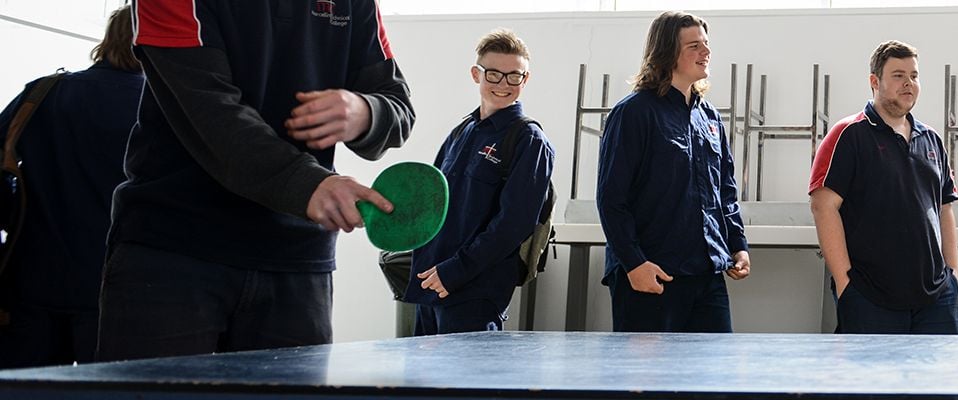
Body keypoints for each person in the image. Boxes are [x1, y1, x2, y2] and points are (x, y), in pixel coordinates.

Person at [96, 0, 414, 361]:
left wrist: (365, 112)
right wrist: (308, 184)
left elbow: (398, 104)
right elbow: (211, 113)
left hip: (297, 264)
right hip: (173, 253)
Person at [0, 5, 144, 368]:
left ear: (107, 39)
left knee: (24, 388)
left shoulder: (44, 93)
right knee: (106, 389)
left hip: (31, 278)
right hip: (117, 287)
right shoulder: (158, 109)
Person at [598, 10, 750, 333]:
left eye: (706, 44)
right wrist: (634, 263)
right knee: (648, 369)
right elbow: (611, 199)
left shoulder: (710, 118)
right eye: (694, 46)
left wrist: (738, 244)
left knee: (715, 366)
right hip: (652, 275)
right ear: (666, 52)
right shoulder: (633, 113)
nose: (706, 52)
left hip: (707, 274)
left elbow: (725, 191)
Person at [808, 40, 958, 334]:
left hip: (935, 299)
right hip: (869, 297)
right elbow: (823, 206)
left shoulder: (931, 139)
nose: (908, 83)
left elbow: (945, 208)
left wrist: (952, 276)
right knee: (871, 367)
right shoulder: (848, 134)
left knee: (941, 366)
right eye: (898, 75)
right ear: (874, 81)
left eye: (914, 76)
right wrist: (845, 283)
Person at [407, 29, 554, 335]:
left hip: (474, 294)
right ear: (476, 74)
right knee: (419, 369)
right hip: (430, 285)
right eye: (494, 74)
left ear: (525, 79)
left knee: (468, 369)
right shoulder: (462, 131)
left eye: (514, 76)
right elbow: (433, 200)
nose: (504, 84)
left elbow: (512, 225)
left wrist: (454, 272)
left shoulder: (529, 141)